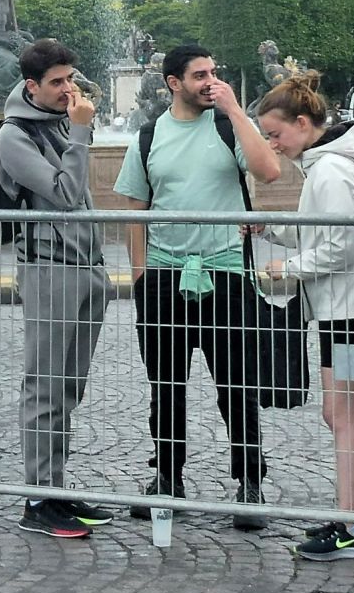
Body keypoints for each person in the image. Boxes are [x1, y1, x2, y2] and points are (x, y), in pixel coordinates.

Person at [113, 42, 280, 529]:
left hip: (225, 272)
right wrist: (142, 277)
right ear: (173, 83)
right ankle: (167, 477)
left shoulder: (229, 126)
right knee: (165, 386)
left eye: (214, 72)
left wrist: (233, 108)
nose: (211, 81)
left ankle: (250, 483)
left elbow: (268, 172)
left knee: (237, 385)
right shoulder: (148, 137)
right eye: (200, 75)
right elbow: (134, 212)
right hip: (165, 277)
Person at [256, 73, 354, 560]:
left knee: (343, 413)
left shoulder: (330, 171)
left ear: (304, 123)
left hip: (346, 305)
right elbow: (326, 237)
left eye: (276, 133)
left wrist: (285, 268)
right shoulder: (328, 165)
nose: (273, 143)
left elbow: (335, 247)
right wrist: (274, 229)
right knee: (345, 412)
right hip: (346, 302)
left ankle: (352, 524)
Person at [0, 39, 114, 540]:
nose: (70, 90)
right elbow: (65, 194)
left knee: (70, 386)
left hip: (87, 266)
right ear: (32, 86)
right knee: (44, 383)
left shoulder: (61, 122)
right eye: (58, 83)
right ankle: (39, 498)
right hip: (48, 269)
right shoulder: (13, 135)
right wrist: (82, 130)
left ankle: (57, 489)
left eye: (71, 79)